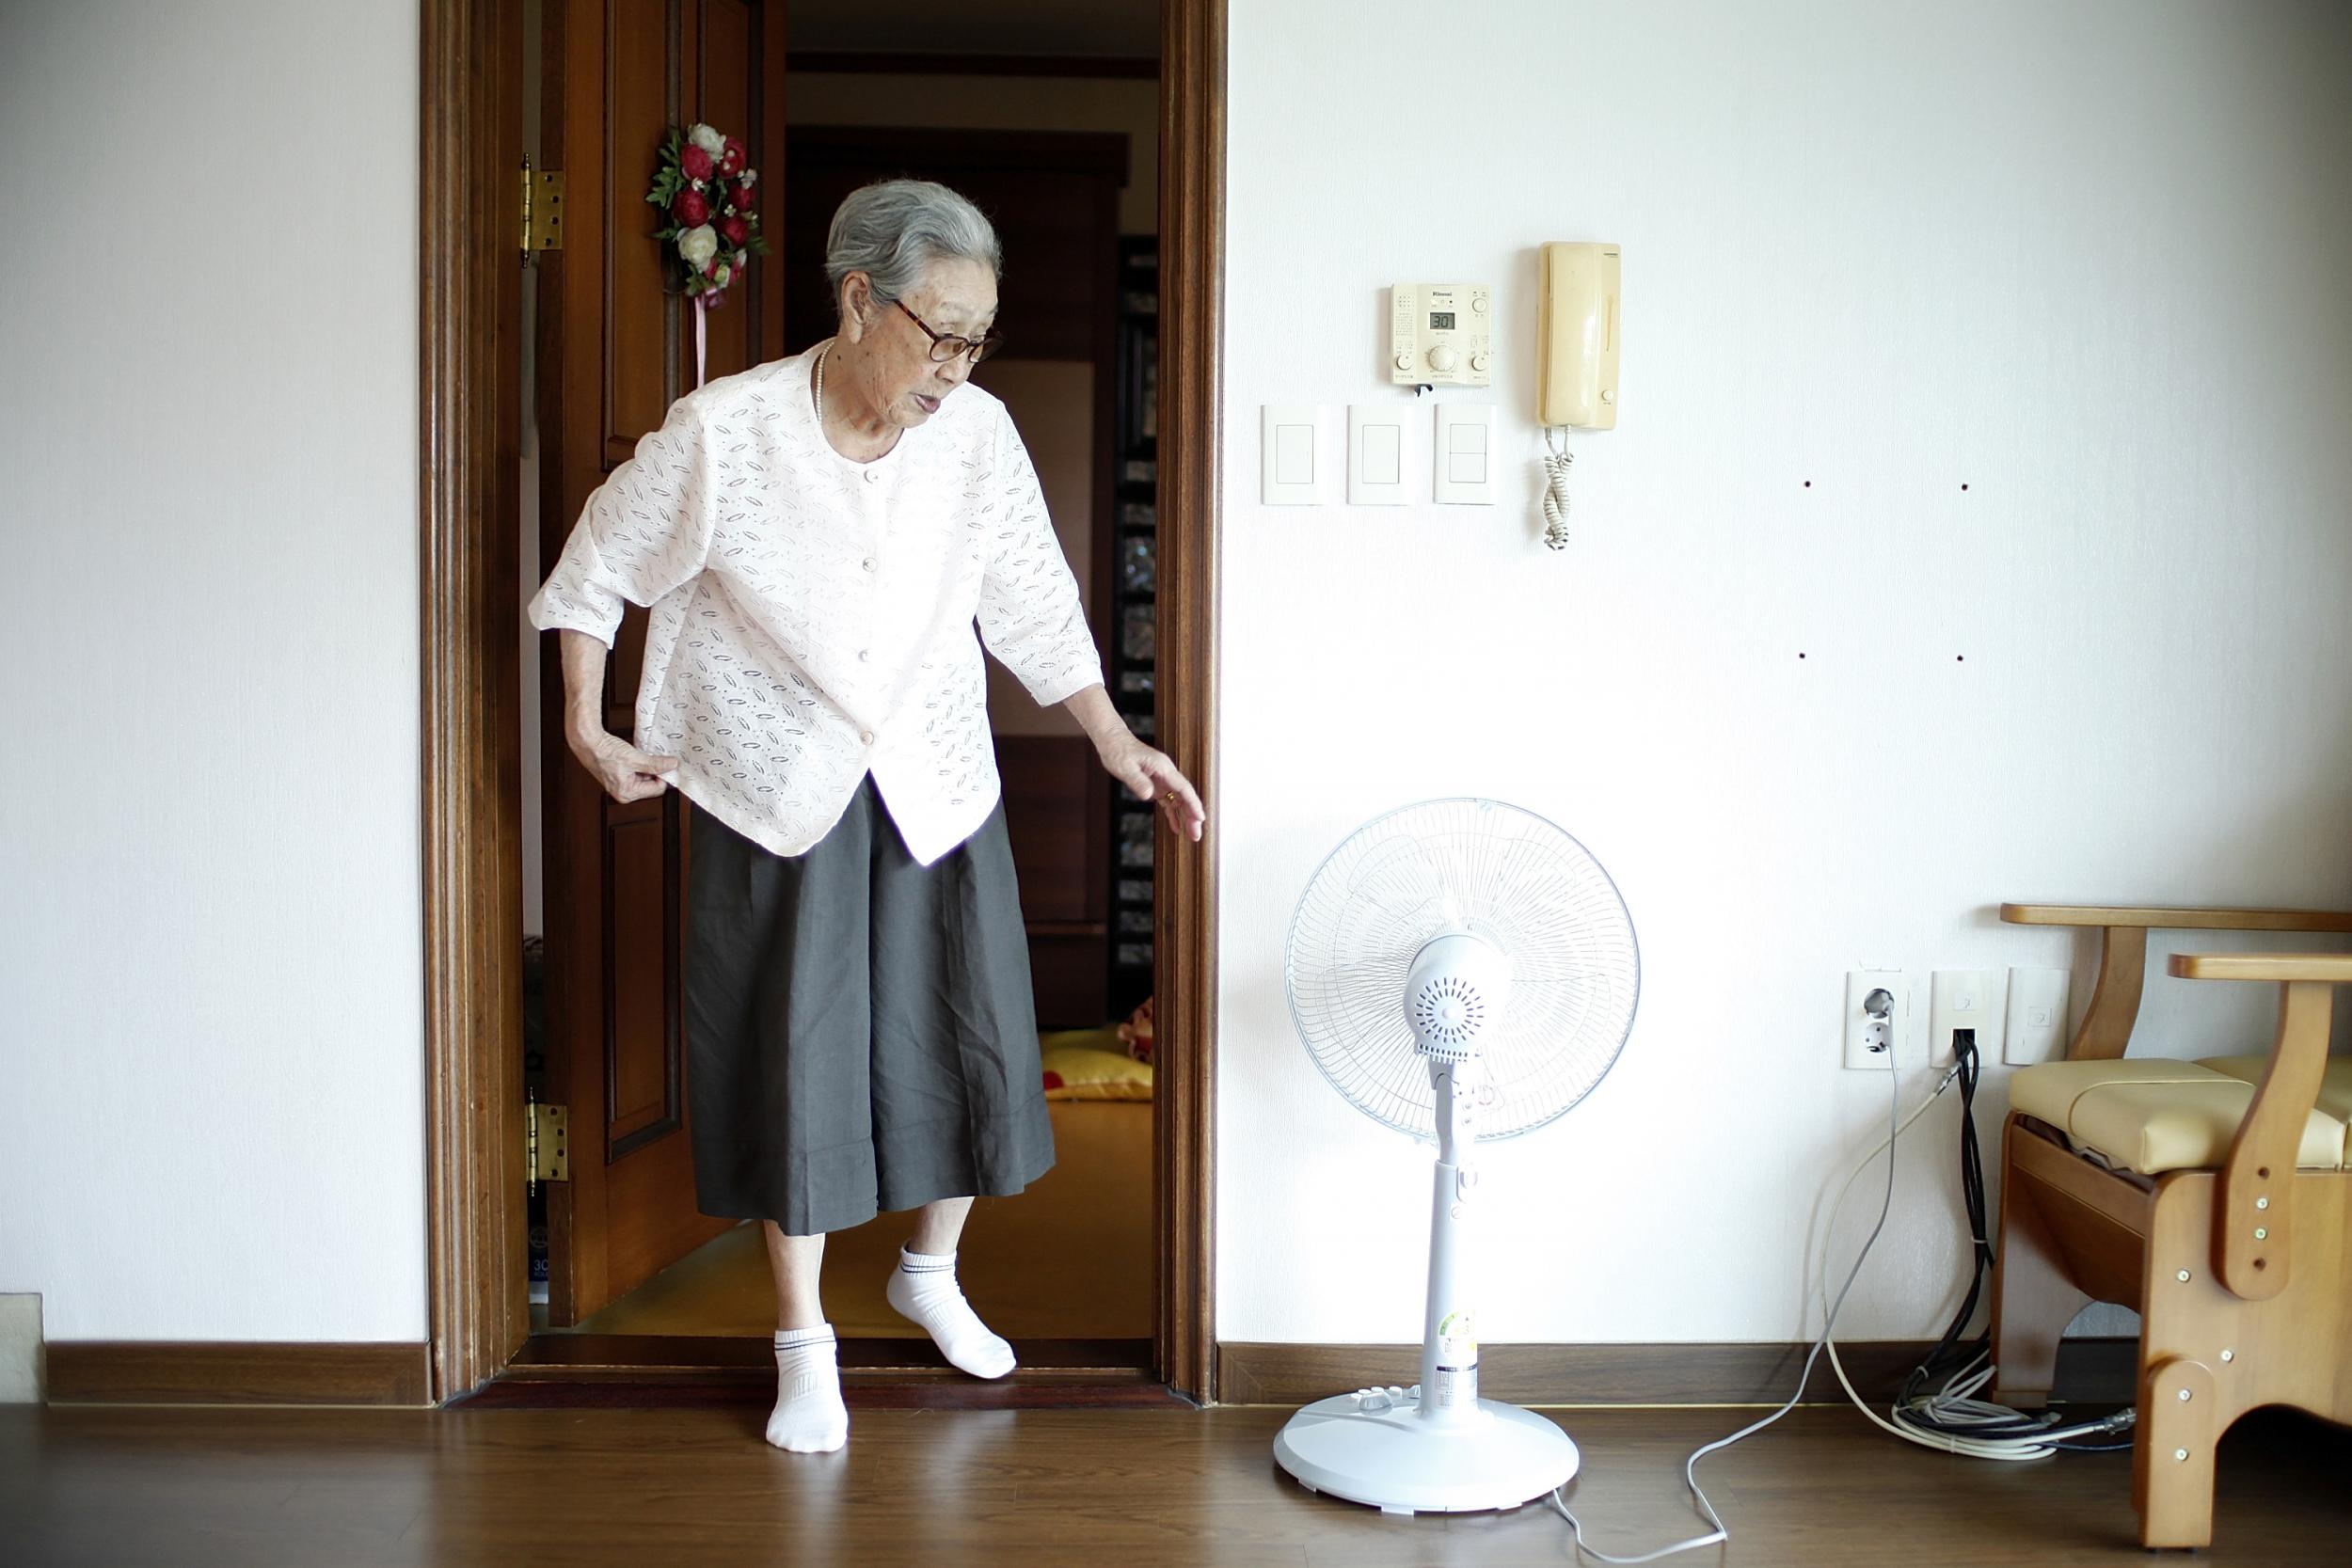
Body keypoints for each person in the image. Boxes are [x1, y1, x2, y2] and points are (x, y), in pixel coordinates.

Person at [528, 179, 1205, 1452]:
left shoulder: (979, 436)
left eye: (977, 340)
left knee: (972, 1031)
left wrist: (1120, 748)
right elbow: (595, 569)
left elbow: (1038, 609)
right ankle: (803, 1339)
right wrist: (583, 721)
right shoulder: (725, 432)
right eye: (939, 334)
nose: (956, 367)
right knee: (801, 1055)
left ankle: (930, 1272)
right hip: (779, 789)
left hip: (936, 778)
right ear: (858, 299)